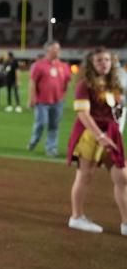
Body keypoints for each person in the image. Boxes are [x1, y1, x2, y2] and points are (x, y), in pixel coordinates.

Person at [65, 47, 125, 235]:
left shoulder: (112, 83)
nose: (104, 63)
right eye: (99, 60)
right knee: (85, 176)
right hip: (90, 134)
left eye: (107, 59)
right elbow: (83, 114)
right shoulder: (85, 84)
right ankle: (76, 217)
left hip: (110, 134)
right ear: (91, 63)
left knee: (122, 177)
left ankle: (125, 224)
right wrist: (100, 136)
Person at [28, 42, 72, 158]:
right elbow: (32, 82)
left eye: (58, 49)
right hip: (42, 101)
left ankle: (51, 148)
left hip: (58, 102)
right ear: (47, 51)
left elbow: (67, 82)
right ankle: (34, 140)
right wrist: (32, 98)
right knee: (41, 123)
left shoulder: (64, 66)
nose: (57, 51)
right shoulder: (39, 65)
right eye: (54, 49)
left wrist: (63, 97)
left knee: (54, 126)